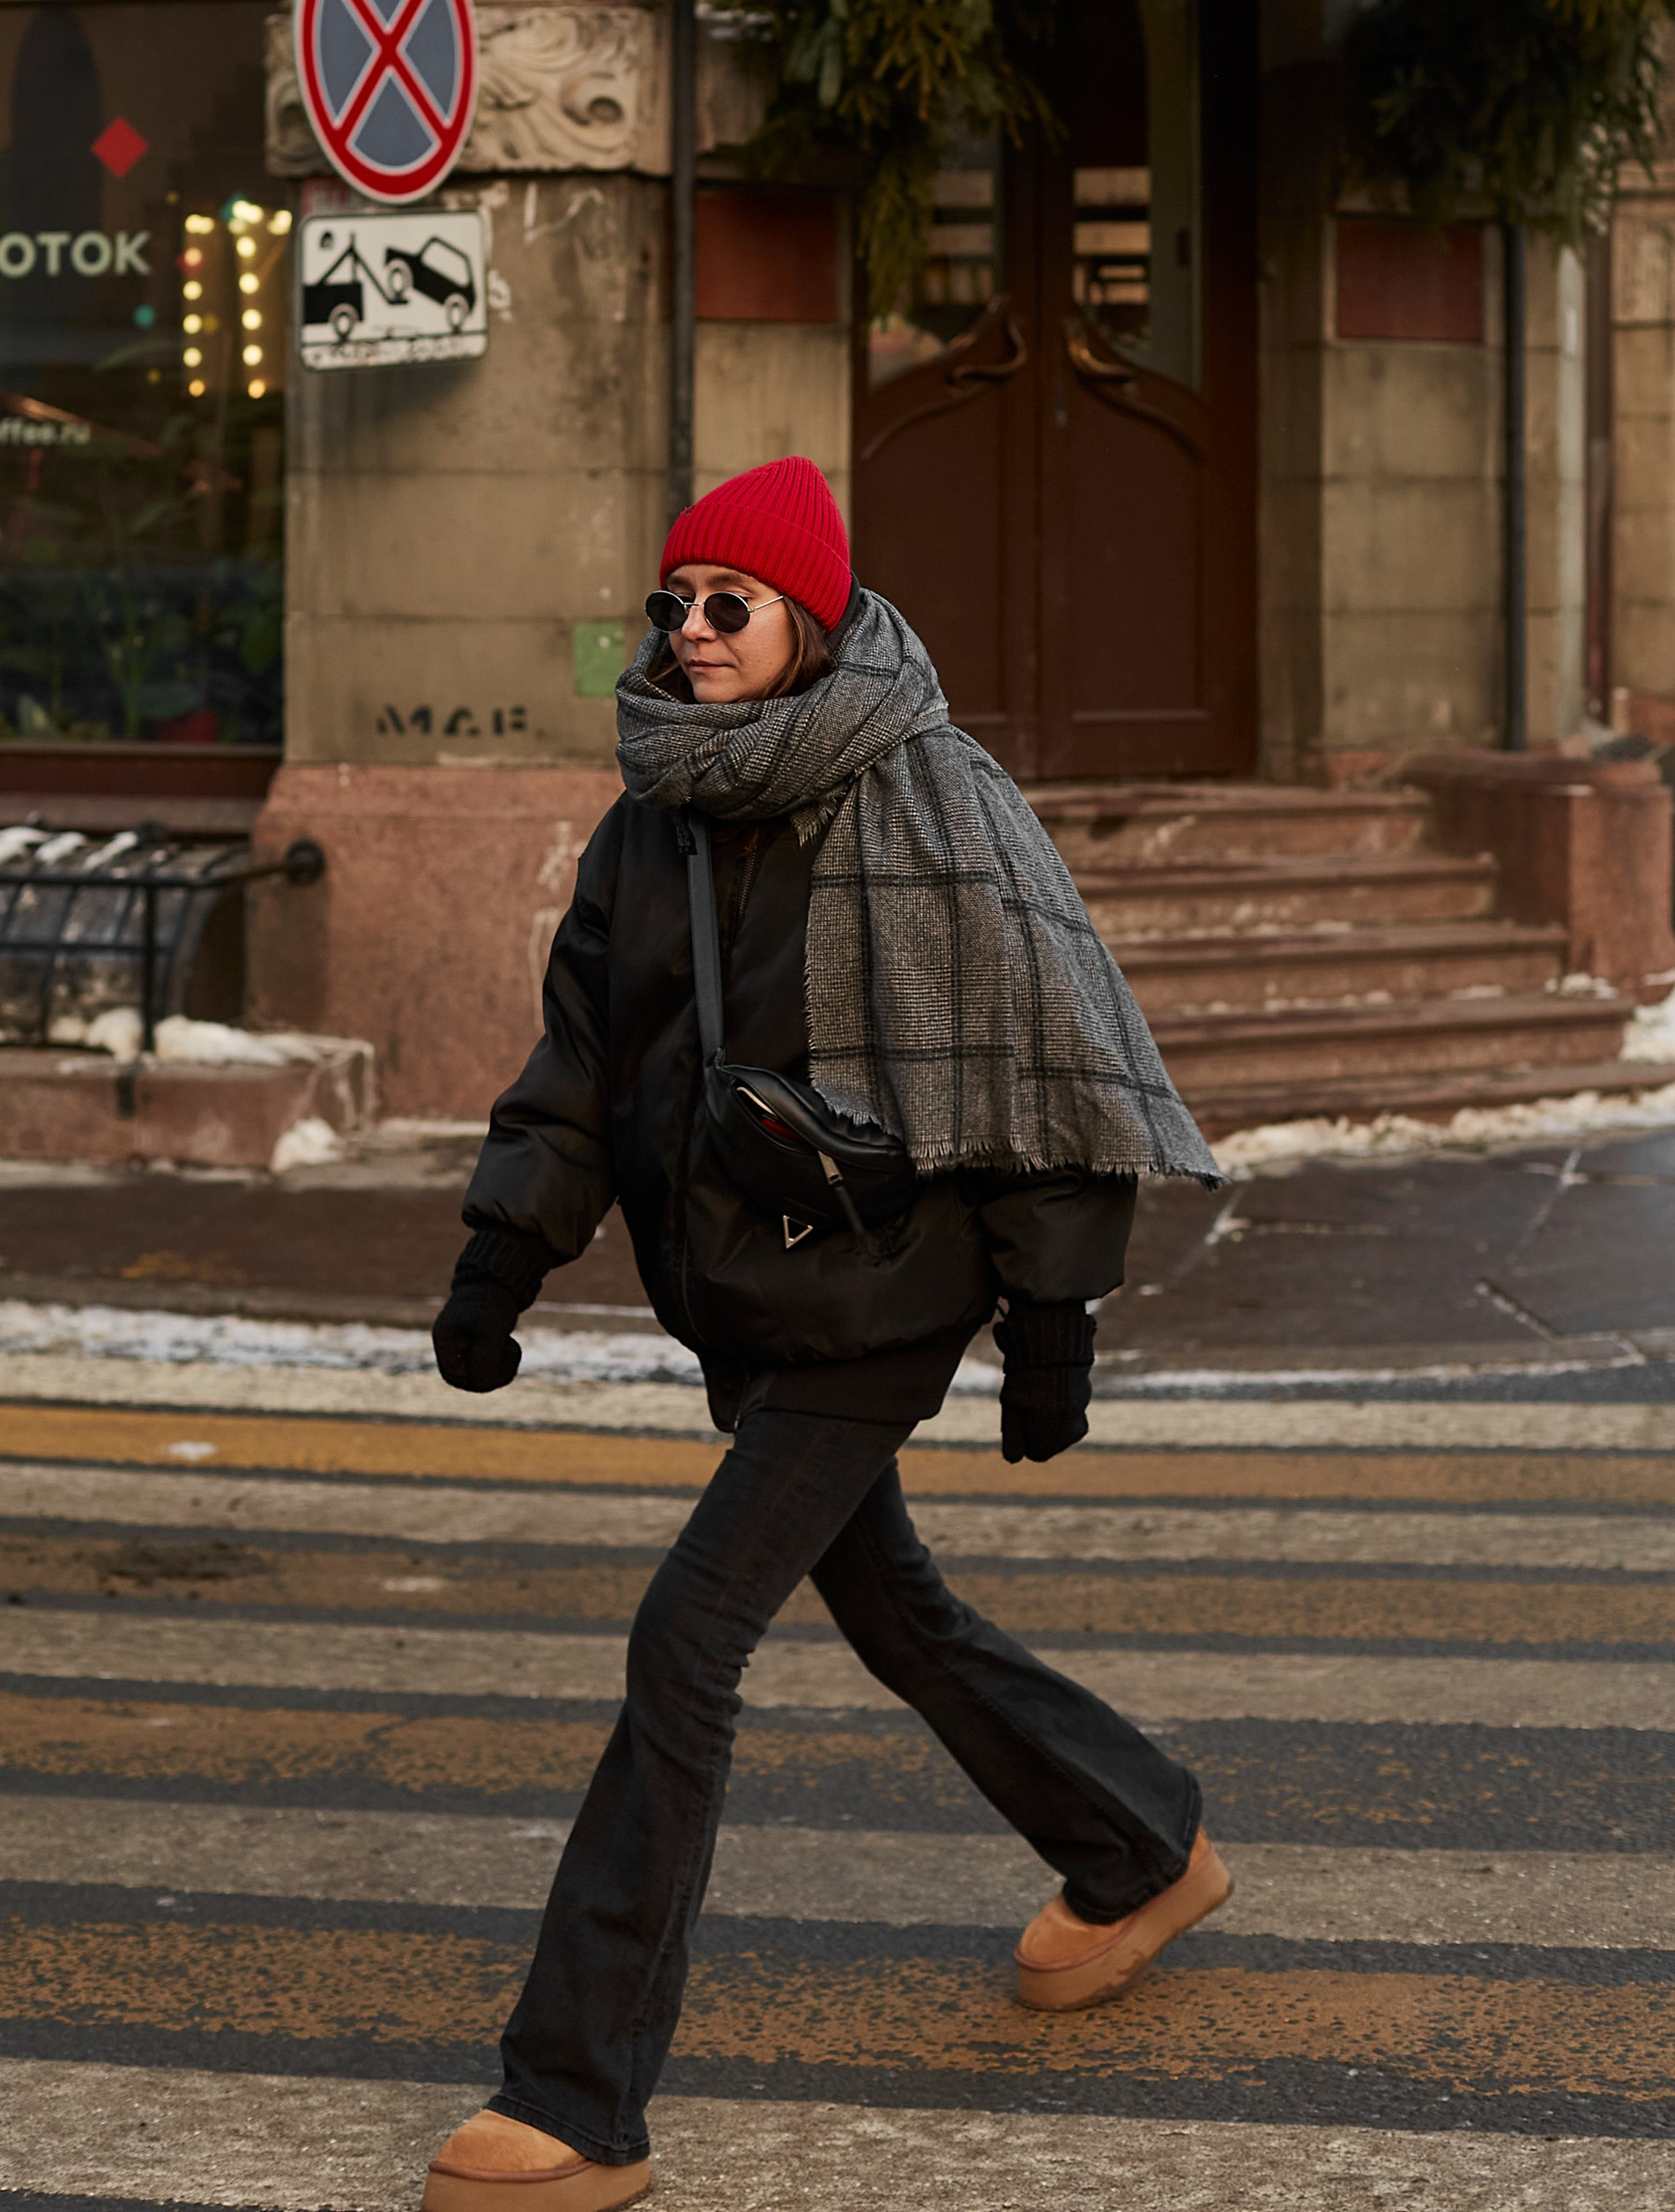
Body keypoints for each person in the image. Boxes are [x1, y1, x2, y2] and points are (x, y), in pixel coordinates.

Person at [419, 455, 1227, 2212]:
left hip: (885, 1288)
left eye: (729, 606)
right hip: (738, 1288)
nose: (691, 636)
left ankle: (573, 2098)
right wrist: (502, 1256)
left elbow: (1040, 1057)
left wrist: (1049, 1312)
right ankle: (1133, 1840)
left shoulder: (929, 797)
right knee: (891, 1607)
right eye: (674, 605)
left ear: (811, 620)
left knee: (684, 1637)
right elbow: (580, 1063)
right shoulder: (652, 823)